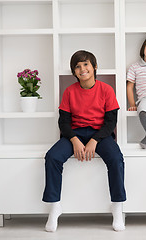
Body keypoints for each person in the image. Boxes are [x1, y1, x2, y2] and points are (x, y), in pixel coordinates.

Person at [42, 50, 126, 232]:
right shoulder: (69, 92)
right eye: (77, 66)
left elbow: (111, 121)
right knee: (52, 157)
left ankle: (117, 207)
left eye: (86, 64)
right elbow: (63, 122)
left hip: (100, 134)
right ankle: (55, 206)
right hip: (75, 133)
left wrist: (94, 140)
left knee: (116, 159)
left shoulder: (106, 90)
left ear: (95, 67)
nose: (82, 69)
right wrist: (74, 140)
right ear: (74, 72)